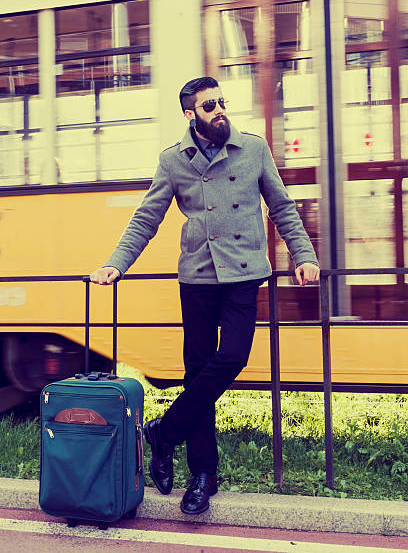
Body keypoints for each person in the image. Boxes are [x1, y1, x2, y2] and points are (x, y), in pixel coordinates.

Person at [90, 76, 320, 515]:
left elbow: (282, 206)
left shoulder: (252, 149)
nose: (219, 110)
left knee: (232, 357)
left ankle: (163, 432)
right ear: (189, 114)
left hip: (243, 274)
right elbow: (147, 217)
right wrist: (116, 263)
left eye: (221, 102)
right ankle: (202, 475)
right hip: (197, 277)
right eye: (209, 105)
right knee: (197, 374)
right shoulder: (175, 160)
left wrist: (303, 254)